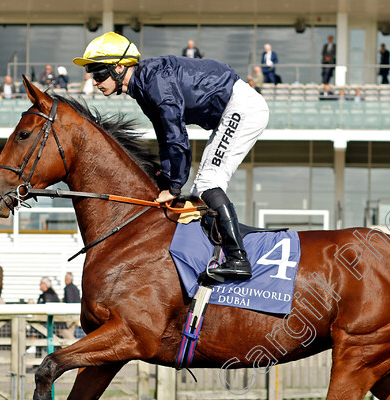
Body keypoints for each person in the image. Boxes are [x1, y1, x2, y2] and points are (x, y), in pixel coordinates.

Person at [74, 32, 268, 279]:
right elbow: (165, 138)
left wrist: (174, 187)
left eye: (99, 73)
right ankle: (219, 251)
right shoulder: (143, 87)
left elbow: (177, 137)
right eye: (92, 75)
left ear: (120, 68)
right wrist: (167, 179)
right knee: (202, 189)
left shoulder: (155, 83)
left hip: (243, 108)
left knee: (209, 183)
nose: (95, 81)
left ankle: (238, 259)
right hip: (231, 110)